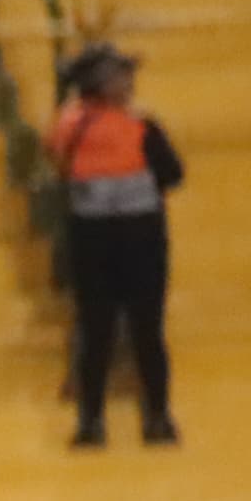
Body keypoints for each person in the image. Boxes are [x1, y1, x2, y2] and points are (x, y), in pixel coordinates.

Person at [47, 45, 183, 449]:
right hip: (139, 238)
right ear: (103, 85)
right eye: (122, 76)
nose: (129, 83)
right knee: (146, 330)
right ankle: (156, 418)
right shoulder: (141, 127)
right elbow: (172, 175)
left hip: (92, 239)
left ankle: (91, 423)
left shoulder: (68, 126)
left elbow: (57, 163)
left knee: (97, 331)